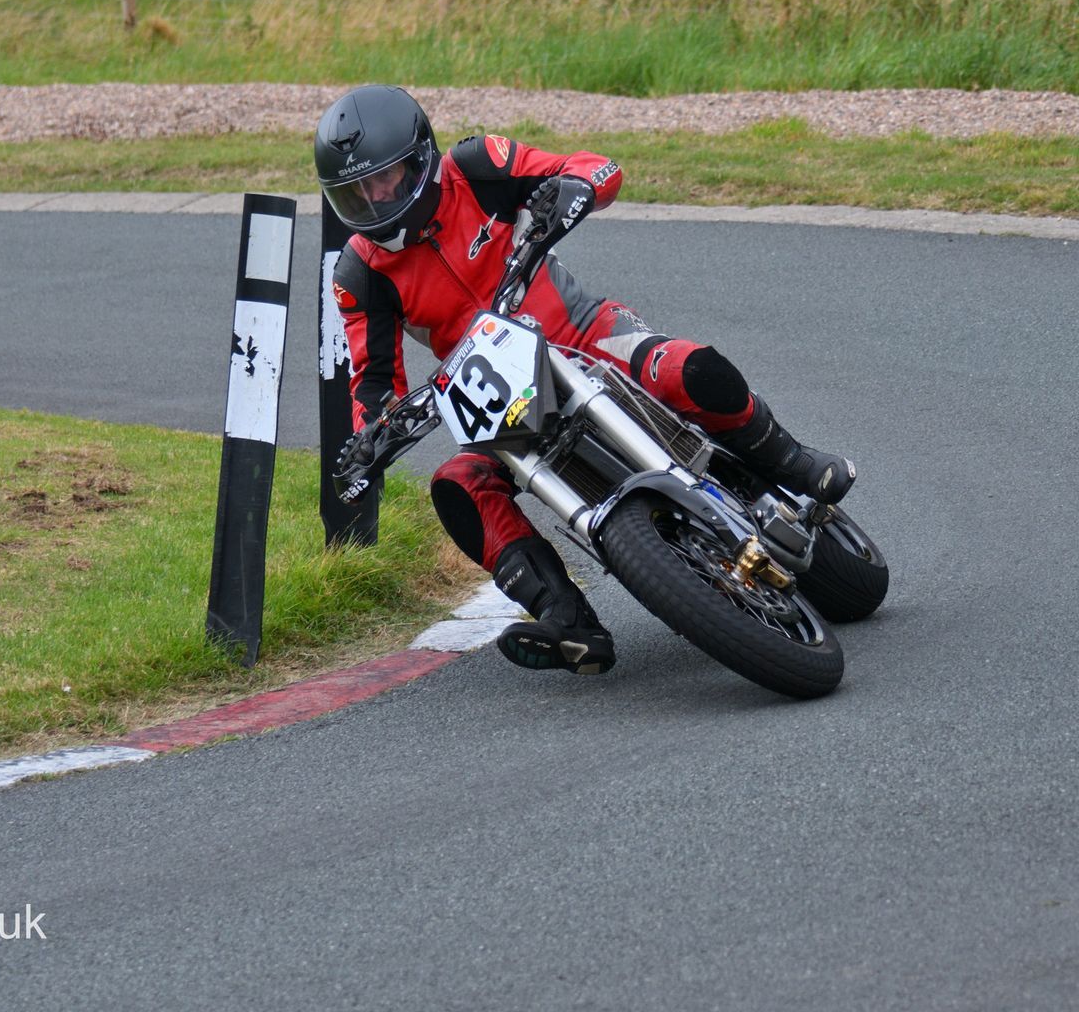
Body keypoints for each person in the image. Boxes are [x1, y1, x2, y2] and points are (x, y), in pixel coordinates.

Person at [320, 84, 854, 677]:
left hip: (583, 334)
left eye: (385, 180)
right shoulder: (359, 270)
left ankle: (793, 461)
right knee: (458, 486)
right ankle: (566, 620)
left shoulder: (477, 166)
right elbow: (371, 383)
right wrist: (372, 438)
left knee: (688, 369)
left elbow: (593, 167)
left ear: (421, 159)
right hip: (499, 401)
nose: (375, 200)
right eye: (356, 192)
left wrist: (574, 190)